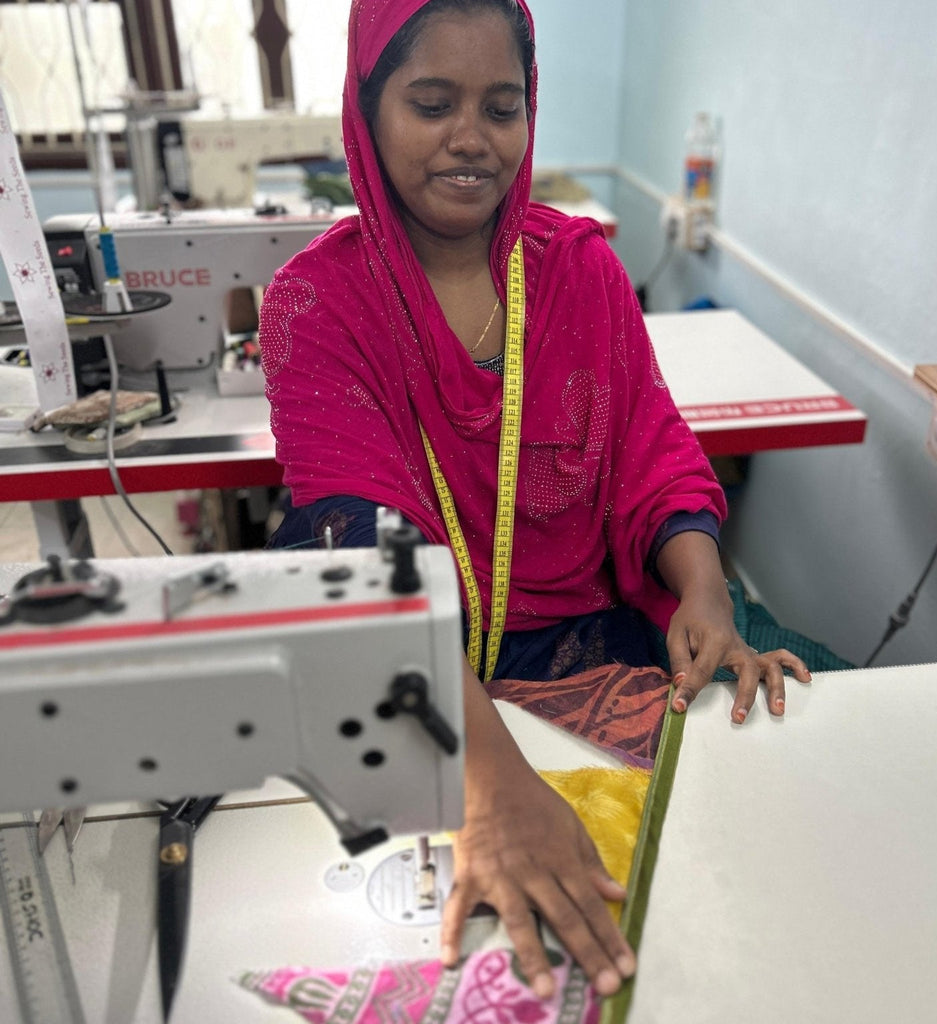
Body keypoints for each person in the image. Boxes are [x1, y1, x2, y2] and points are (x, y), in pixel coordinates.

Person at [259, 0, 810, 1000]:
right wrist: (495, 787)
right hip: (420, 678)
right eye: (432, 104)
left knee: (798, 800)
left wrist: (705, 592)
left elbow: (653, 452)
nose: (472, 139)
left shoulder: (582, 270)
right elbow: (367, 565)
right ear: (366, 106)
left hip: (605, 640)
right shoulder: (316, 305)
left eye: (501, 107)